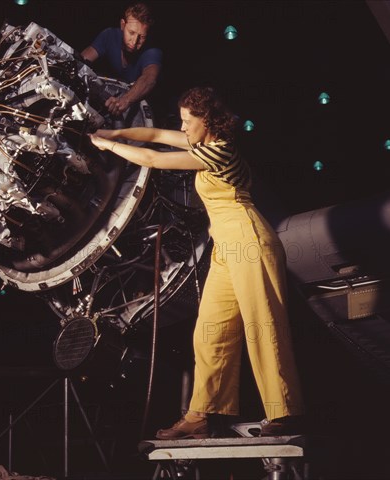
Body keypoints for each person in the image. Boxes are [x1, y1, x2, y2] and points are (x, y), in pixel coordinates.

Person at [89, 87, 305, 439]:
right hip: (225, 245)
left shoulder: (218, 152)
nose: (184, 127)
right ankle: (201, 416)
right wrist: (115, 132)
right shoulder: (202, 143)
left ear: (207, 122)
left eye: (189, 121)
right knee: (210, 330)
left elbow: (155, 159)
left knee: (262, 325)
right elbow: (156, 135)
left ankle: (284, 412)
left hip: (249, 239)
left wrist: (107, 147)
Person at [81, 2, 162, 116]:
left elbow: (149, 79)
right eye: (131, 33)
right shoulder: (109, 35)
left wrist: (125, 100)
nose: (134, 42)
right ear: (123, 25)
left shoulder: (152, 51)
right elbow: (81, 61)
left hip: (137, 106)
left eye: (142, 37)